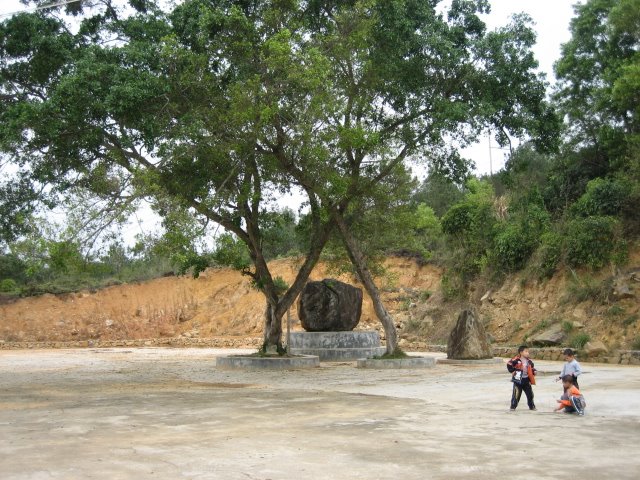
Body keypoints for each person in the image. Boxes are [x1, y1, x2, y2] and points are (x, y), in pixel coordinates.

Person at [507, 345, 537, 411]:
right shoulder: (515, 359)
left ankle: (532, 406)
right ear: (521, 352)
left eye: (528, 352)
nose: (528, 353)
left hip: (526, 380)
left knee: (530, 395)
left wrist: (534, 371)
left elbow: (531, 368)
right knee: (516, 395)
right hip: (518, 380)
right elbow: (509, 364)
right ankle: (513, 407)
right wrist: (512, 371)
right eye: (526, 351)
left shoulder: (529, 361)